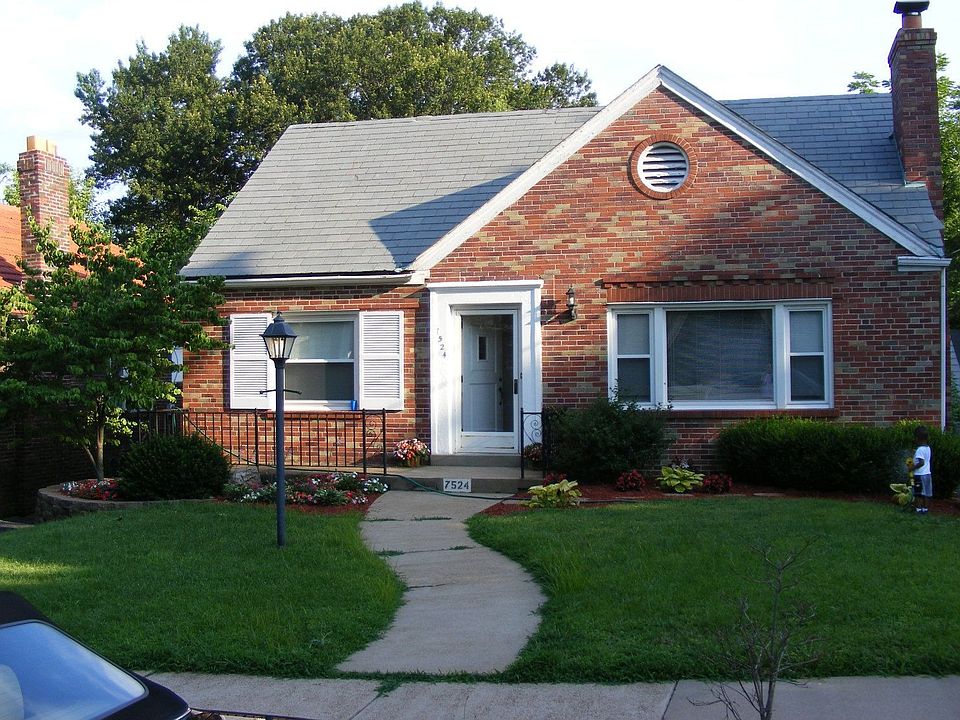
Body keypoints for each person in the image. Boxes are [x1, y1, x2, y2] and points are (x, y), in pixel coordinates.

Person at [912, 425, 933, 514]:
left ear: (917, 438)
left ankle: (918, 509)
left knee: (918, 493)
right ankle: (925, 509)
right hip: (927, 474)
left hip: (919, 475)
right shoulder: (928, 448)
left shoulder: (920, 450)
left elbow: (921, 463)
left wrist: (911, 468)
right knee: (926, 493)